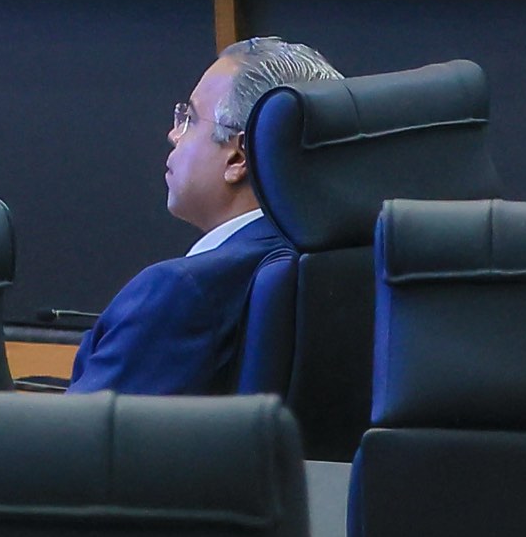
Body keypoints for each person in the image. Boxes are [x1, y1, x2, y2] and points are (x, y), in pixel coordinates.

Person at [64, 39, 343, 396]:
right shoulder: (343, 256)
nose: (173, 134)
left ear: (238, 158)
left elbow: (73, 444)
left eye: (190, 119)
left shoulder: (179, 292)